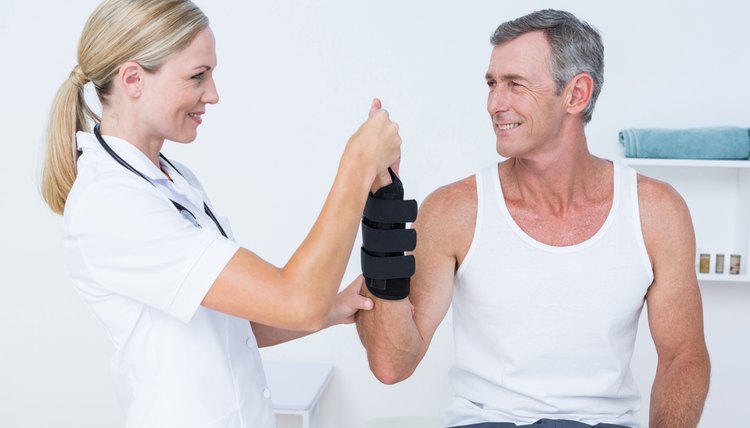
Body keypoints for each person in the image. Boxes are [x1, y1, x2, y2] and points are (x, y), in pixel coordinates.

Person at [40, 0, 401, 426]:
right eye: (198, 76)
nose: (213, 94)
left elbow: (228, 325)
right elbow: (295, 299)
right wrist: (357, 164)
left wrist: (331, 309)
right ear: (133, 79)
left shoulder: (172, 179)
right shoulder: (112, 205)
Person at [356, 9, 710, 428]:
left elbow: (682, 358)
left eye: (515, 85)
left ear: (576, 94)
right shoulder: (455, 211)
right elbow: (392, 364)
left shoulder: (656, 212)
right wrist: (384, 208)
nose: (494, 104)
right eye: (491, 84)